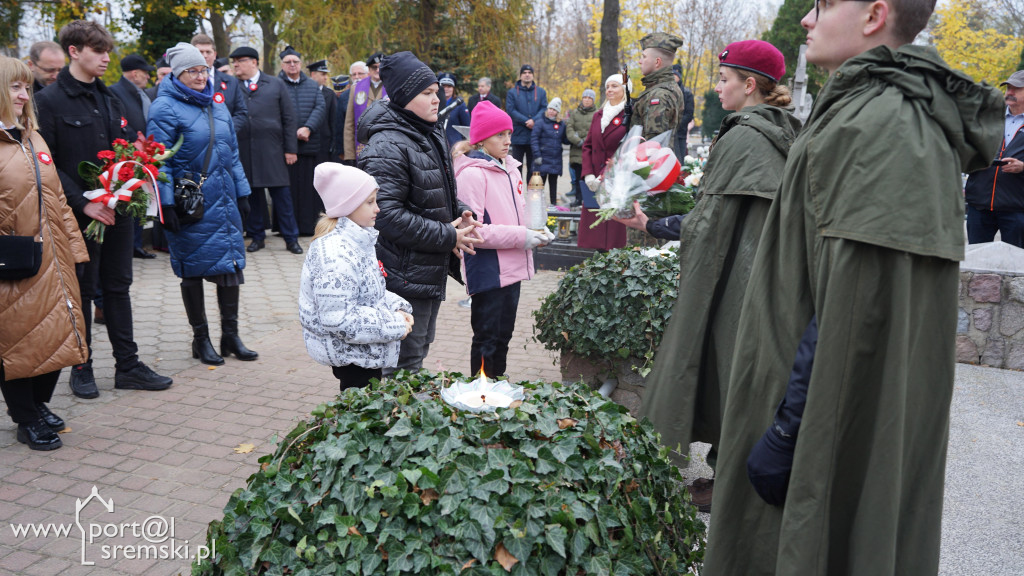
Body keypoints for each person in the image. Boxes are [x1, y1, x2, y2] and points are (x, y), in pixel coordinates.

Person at [703, 1, 1003, 573]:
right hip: (803, 393)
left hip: (822, 419)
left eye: (823, 5)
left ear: (874, 16)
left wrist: (790, 433)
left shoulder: (889, 124)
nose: (808, 20)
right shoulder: (866, 107)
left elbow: (858, 313)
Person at [616, 41, 802, 514]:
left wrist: (651, 225)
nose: (717, 88)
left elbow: (708, 222)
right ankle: (727, 475)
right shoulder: (780, 130)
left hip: (738, 281)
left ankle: (727, 483)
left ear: (751, 84)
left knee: (723, 373)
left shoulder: (745, 136)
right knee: (741, 376)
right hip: (761, 276)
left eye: (724, 80)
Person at [35, 20, 173, 398]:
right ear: (74, 52)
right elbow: (46, 162)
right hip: (80, 216)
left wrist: (134, 179)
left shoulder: (111, 97)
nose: (106, 57)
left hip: (119, 212)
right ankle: (82, 366)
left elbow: (125, 150)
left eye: (108, 50)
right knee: (81, 290)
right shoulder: (48, 101)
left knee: (118, 287)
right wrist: (86, 203)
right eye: (98, 51)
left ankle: (128, 365)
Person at [357, 51, 481, 373]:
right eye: (426, 93)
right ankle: (393, 421)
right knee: (403, 362)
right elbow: (384, 216)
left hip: (427, 267)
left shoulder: (428, 131)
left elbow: (437, 192)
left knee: (419, 349)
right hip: (403, 274)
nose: (437, 98)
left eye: (436, 90)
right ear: (403, 96)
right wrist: (447, 234)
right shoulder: (387, 145)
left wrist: (462, 213)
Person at [148, 42, 258, 367]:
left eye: (202, 69)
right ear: (178, 74)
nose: (199, 76)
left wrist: (243, 193)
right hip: (190, 203)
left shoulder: (217, 104)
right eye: (191, 71)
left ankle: (231, 336)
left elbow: (232, 155)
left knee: (230, 269)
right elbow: (158, 161)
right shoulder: (164, 107)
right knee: (192, 270)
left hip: (224, 200)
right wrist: (165, 205)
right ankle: (201, 340)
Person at [0, 56, 89, 450]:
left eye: (26, 87)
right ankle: (25, 417)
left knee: (56, 333)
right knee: (17, 340)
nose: (23, 95)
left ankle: (40, 404)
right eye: (14, 87)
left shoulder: (33, 136)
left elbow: (58, 199)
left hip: (53, 258)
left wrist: (75, 249)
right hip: (13, 260)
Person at [454, 100, 551, 377]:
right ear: (482, 139)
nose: (508, 140)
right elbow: (474, 231)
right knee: (487, 339)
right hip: (488, 268)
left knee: (503, 337)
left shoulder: (510, 166)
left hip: (513, 266)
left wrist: (539, 230)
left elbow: (520, 210)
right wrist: (524, 237)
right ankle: (481, 397)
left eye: (509, 133)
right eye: (500, 134)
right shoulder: (472, 173)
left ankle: (497, 388)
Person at [299, 163, 414, 392]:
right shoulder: (336, 255)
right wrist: (394, 324)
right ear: (348, 205)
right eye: (370, 202)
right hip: (353, 355)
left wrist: (398, 308)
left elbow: (370, 291)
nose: (378, 209)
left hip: (365, 350)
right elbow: (338, 318)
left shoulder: (358, 241)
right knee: (357, 413)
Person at [229, 46, 303, 255]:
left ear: (254, 62)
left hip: (272, 150)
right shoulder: (233, 86)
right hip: (245, 150)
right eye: (233, 61)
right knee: (252, 196)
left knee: (282, 196)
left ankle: (291, 239)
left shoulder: (276, 84)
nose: (235, 65)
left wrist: (291, 149)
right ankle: (257, 236)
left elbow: (289, 119)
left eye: (239, 60)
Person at [964, 69, 1024, 248]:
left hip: (1017, 209)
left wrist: (1023, 166)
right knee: (976, 266)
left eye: (1017, 88)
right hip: (979, 207)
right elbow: (964, 151)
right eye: (1008, 88)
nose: (1009, 92)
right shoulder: (986, 117)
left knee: (1016, 268)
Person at [109, 53, 157, 260]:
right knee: (129, 200)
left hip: (143, 155)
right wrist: (134, 140)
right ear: (135, 73)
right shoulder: (115, 92)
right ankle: (128, 247)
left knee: (140, 199)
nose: (148, 77)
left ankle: (136, 245)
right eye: (145, 73)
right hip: (127, 156)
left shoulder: (140, 93)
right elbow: (119, 121)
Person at [277, 46, 325, 239]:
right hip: (285, 146)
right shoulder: (275, 84)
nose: (292, 65)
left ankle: (307, 226)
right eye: (288, 62)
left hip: (308, 145)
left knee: (307, 188)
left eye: (295, 62)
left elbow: (320, 107)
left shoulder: (312, 85)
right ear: (282, 65)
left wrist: (308, 128)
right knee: (287, 189)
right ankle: (286, 228)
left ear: (300, 64)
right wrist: (290, 133)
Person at [578, 74, 629, 251]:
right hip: (595, 180)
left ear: (624, 90)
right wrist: (588, 174)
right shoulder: (598, 115)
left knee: (614, 231)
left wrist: (607, 172)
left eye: (615, 86)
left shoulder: (628, 115)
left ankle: (612, 265)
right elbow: (588, 146)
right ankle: (599, 264)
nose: (609, 90)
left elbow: (630, 147)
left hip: (616, 178)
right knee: (596, 230)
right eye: (608, 87)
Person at [191, 34, 248, 133]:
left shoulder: (231, 82)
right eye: (200, 52)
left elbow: (240, 112)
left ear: (215, 54)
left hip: (224, 140)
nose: (205, 56)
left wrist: (225, 131)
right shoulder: (183, 81)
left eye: (208, 52)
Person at [633, 32, 684, 141]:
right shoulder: (668, 87)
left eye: (644, 57)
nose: (640, 61)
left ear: (657, 62)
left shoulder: (658, 95)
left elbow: (654, 144)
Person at [506, 64, 547, 177]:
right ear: (521, 76)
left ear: (533, 75)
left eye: (529, 73)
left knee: (532, 169)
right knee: (516, 169)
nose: (527, 75)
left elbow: (544, 108)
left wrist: (533, 121)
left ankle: (531, 194)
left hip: (534, 136)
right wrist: (526, 121)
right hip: (518, 136)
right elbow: (511, 110)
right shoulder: (512, 93)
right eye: (524, 73)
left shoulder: (541, 92)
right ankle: (516, 193)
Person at [343, 52, 386, 163]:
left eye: (380, 67)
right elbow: (349, 124)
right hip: (363, 146)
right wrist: (350, 154)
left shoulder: (393, 85)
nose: (377, 70)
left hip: (386, 146)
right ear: (369, 69)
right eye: (374, 67)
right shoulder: (356, 88)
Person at [530, 97, 566, 205]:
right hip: (542, 158)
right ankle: (538, 205)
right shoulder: (540, 122)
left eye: (554, 110)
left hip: (555, 159)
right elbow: (534, 139)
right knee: (540, 184)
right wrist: (537, 155)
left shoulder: (561, 124)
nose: (551, 111)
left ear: (558, 112)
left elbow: (564, 139)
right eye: (550, 108)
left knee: (553, 184)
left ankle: (553, 205)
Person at [565, 89, 597, 208]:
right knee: (578, 178)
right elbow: (569, 129)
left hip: (591, 153)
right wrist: (578, 141)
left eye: (590, 98)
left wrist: (587, 141)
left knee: (589, 178)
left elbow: (596, 131)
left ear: (593, 100)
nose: (587, 100)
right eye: (585, 97)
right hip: (577, 152)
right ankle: (578, 199)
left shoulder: (597, 114)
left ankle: (589, 201)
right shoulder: (574, 114)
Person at [333, 61, 366, 163]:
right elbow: (340, 124)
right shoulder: (344, 96)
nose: (357, 77)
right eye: (354, 74)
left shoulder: (377, 92)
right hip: (352, 149)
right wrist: (341, 150)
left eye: (360, 73)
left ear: (368, 74)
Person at [307, 59, 336, 167]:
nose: (325, 78)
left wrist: (333, 144)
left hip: (324, 144)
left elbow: (333, 120)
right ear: (313, 74)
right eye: (322, 74)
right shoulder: (304, 91)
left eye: (326, 75)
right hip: (307, 143)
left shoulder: (329, 94)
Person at [671, 63, 696, 160]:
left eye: (675, 75)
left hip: (680, 133)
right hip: (667, 134)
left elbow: (689, 114)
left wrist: (676, 125)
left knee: (679, 160)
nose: (673, 77)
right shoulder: (666, 92)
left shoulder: (687, 94)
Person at [438, 72, 470, 147]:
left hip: (455, 146)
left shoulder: (459, 104)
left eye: (449, 86)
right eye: (443, 86)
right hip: (438, 144)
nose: (446, 89)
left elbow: (467, 127)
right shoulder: (435, 103)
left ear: (453, 88)